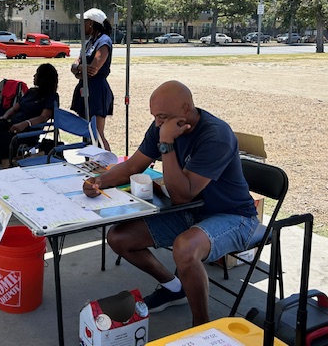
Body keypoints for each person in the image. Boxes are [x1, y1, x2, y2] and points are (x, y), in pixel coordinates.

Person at [82, 80, 258, 326]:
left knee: (185, 248)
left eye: (162, 117)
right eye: (155, 116)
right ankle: (175, 288)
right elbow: (133, 167)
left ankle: (201, 326)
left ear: (186, 109)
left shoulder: (215, 135)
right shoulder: (163, 126)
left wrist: (167, 144)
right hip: (192, 211)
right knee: (119, 238)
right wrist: (98, 181)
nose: (157, 123)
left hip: (234, 217)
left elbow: (181, 195)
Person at [0, 63, 59, 170]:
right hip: (13, 124)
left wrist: (25, 123)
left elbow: (43, 117)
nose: (34, 76)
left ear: (43, 78)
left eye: (37, 74)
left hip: (28, 131)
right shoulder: (31, 92)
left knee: (2, 137)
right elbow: (14, 108)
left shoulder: (51, 97)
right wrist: (4, 117)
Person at [70, 8, 114, 151]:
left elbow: (93, 69)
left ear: (92, 23)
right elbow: (75, 65)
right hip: (85, 88)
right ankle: (89, 161)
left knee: (97, 134)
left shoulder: (104, 41)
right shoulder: (89, 42)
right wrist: (79, 68)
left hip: (97, 91)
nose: (82, 25)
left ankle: (107, 162)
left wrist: (79, 69)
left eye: (84, 21)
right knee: (87, 133)